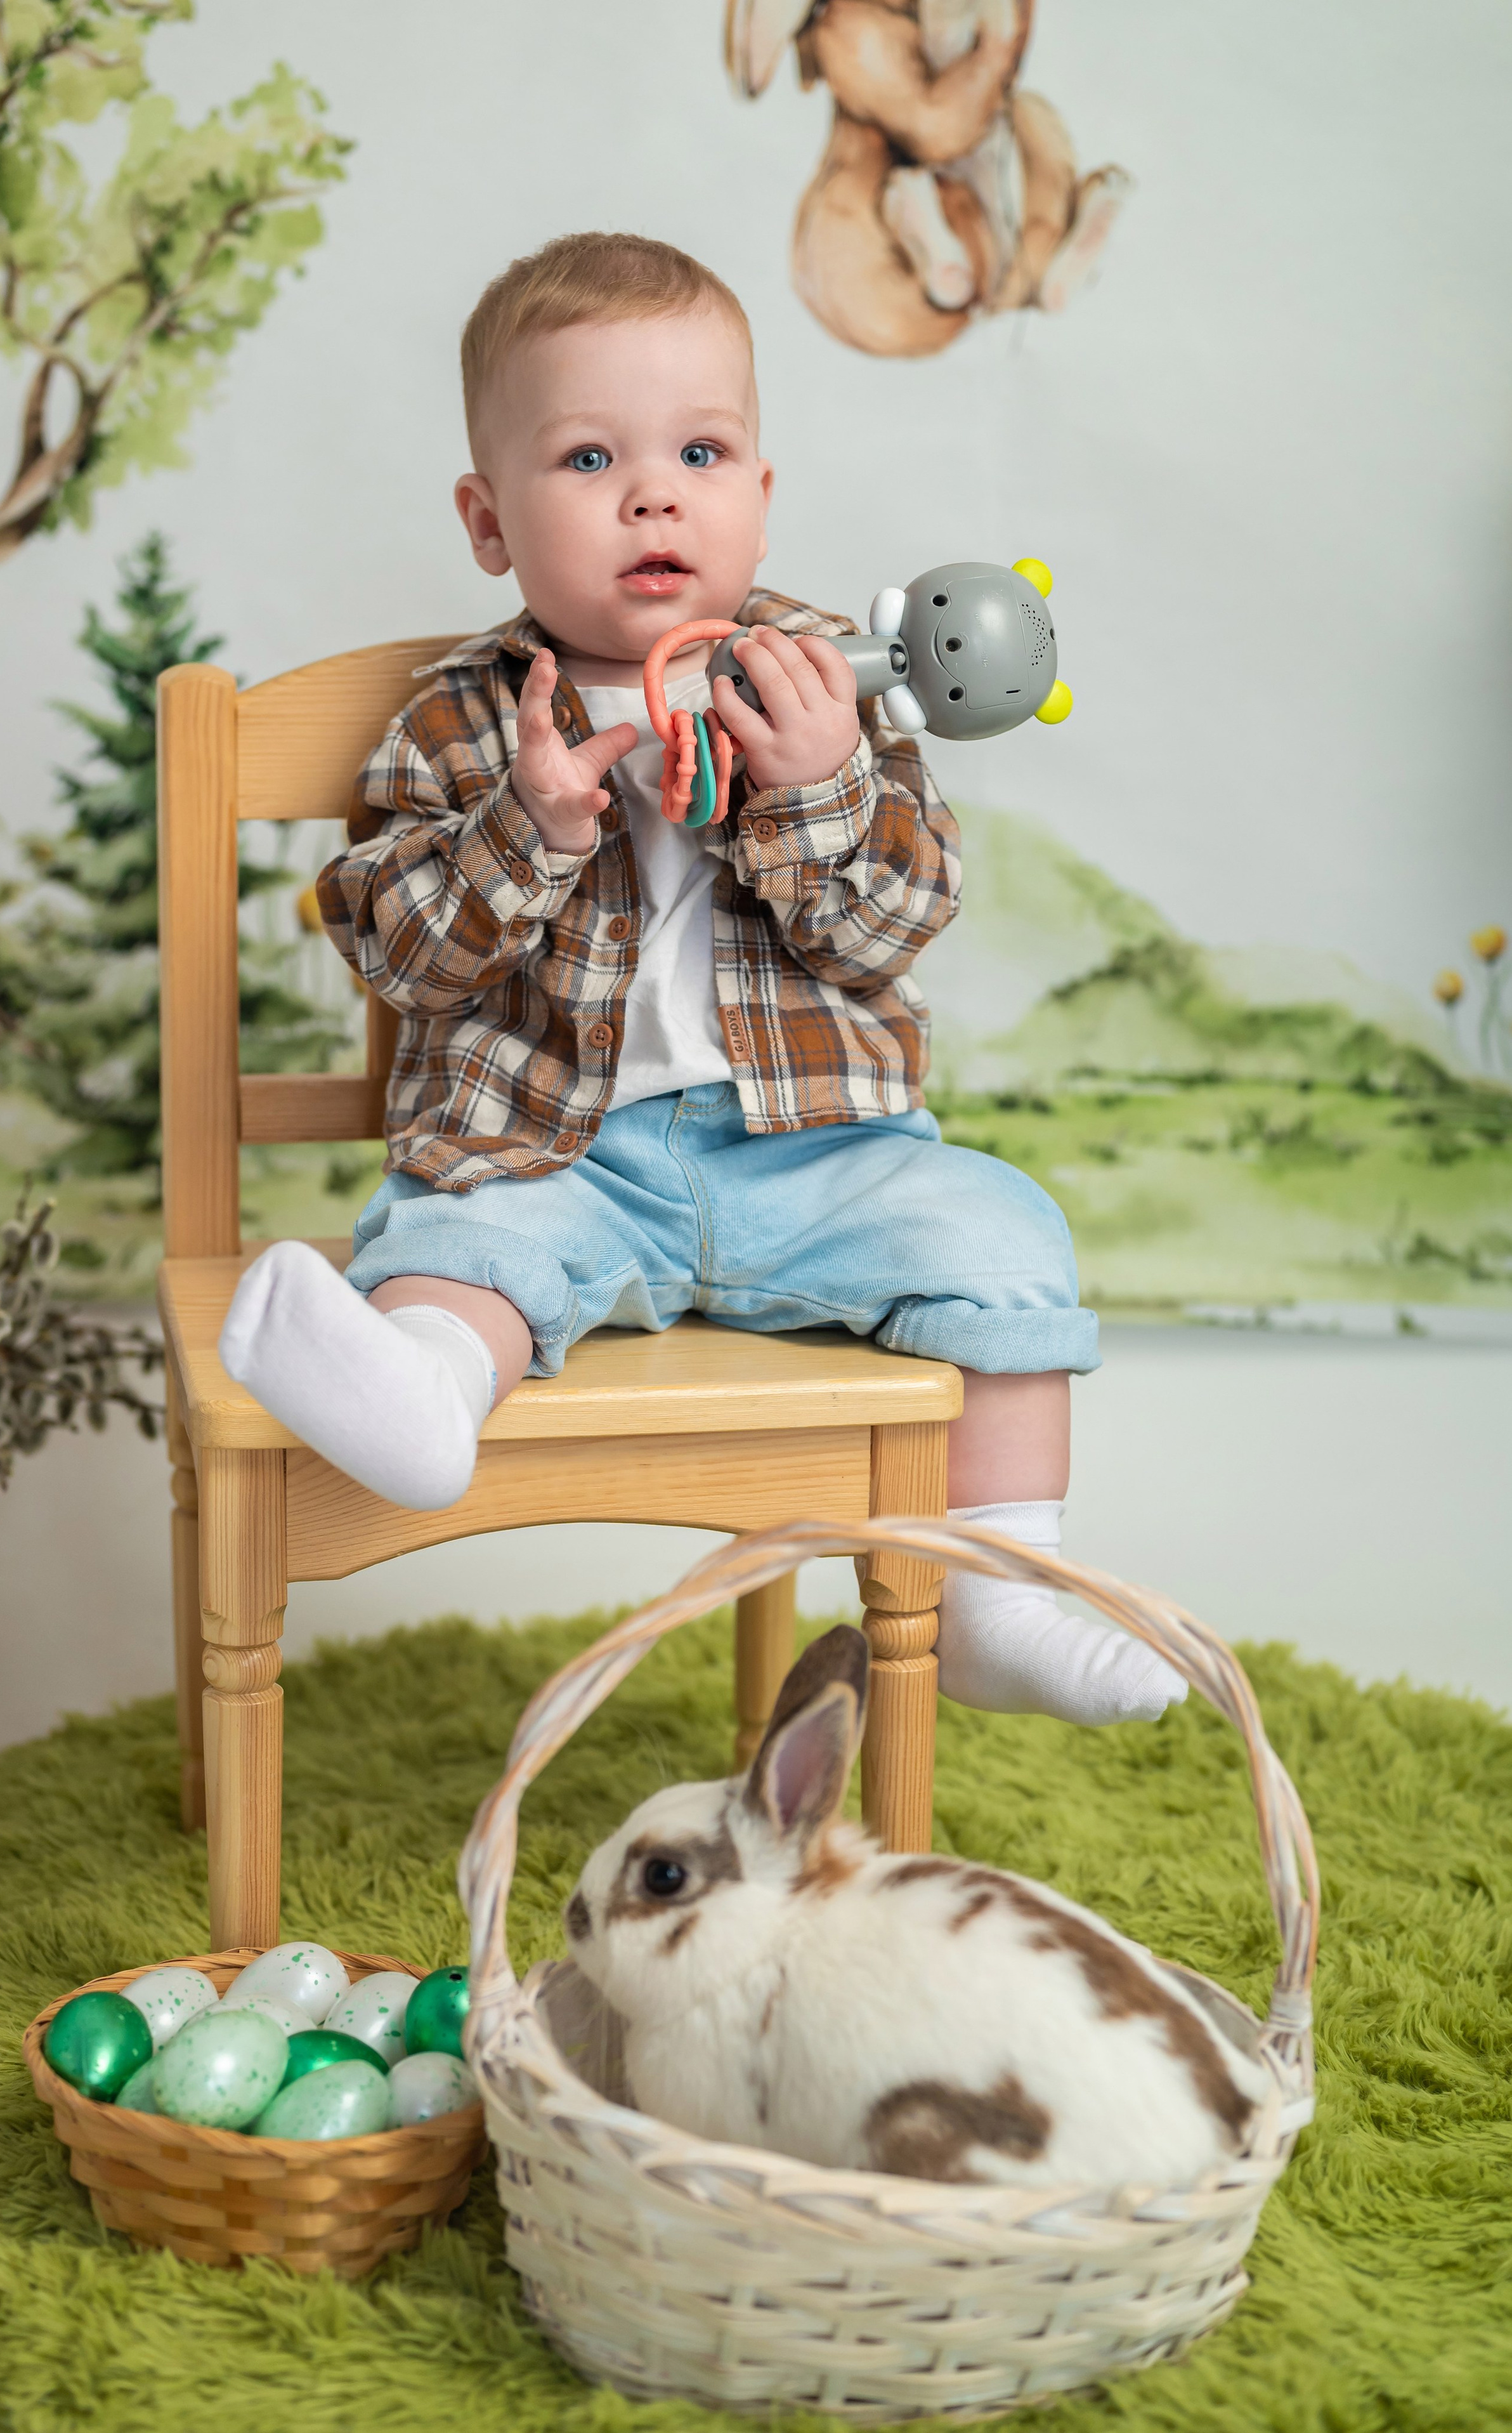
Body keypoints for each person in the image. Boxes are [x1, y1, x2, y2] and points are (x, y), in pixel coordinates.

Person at [220, 231, 1182, 1729]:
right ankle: (416, 1394)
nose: (653, 492)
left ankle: (998, 1581)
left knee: (1001, 1229)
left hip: (813, 1160)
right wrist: (524, 831)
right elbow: (392, 951)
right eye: (589, 455)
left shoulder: (830, 686)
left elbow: (891, 932)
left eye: (700, 450)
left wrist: (810, 789)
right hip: (563, 1157)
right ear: (489, 521)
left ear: (759, 493)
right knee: (461, 1244)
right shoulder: (461, 720)